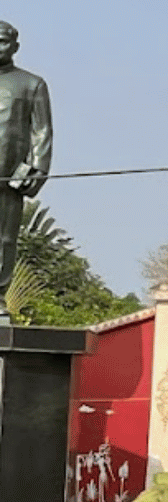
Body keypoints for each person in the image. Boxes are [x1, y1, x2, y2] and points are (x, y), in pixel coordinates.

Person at [0, 20, 53, 322]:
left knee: (4, 239)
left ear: (15, 47)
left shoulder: (31, 84)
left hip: (8, 178)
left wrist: (37, 170)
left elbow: (42, 132)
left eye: (3, 42)